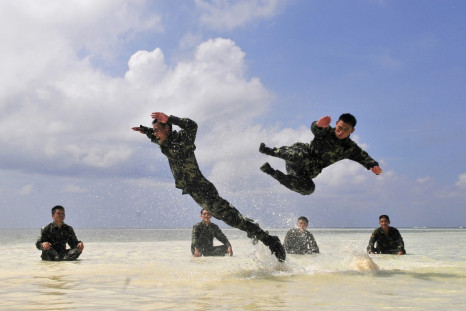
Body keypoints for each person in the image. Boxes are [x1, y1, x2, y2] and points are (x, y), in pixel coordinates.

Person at [132, 112, 286, 262]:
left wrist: (170, 118)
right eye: (154, 131)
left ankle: (271, 241)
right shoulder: (164, 142)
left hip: (204, 191)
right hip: (197, 195)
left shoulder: (183, 139)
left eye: (157, 130)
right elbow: (155, 138)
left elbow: (192, 125)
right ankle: (253, 229)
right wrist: (146, 131)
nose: (155, 134)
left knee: (234, 220)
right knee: (232, 219)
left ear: (167, 128)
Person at [259, 113, 382, 195]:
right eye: (340, 128)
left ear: (352, 131)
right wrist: (318, 124)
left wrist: (374, 166)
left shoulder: (349, 148)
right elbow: (316, 128)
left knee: (309, 189)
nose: (340, 132)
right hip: (299, 154)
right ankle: (269, 150)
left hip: (305, 172)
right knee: (301, 156)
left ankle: (271, 171)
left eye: (346, 130)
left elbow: (364, 157)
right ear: (336, 123)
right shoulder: (327, 132)